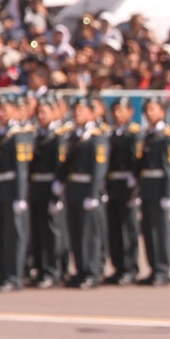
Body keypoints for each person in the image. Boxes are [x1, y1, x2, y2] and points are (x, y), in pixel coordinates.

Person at [0, 95, 30, 292]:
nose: (1, 113)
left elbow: (21, 168)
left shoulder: (17, 135)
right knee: (0, 234)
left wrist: (20, 196)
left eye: (5, 109)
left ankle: (13, 276)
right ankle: (2, 273)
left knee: (13, 235)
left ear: (14, 111)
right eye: (0, 109)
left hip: (11, 189)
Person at [61, 96, 108, 290]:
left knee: (90, 234)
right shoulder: (73, 136)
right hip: (74, 189)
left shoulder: (97, 136)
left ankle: (92, 272)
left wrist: (93, 193)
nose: (77, 113)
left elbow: (99, 168)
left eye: (82, 110)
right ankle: (80, 270)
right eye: (76, 110)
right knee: (76, 232)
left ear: (92, 113)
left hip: (88, 190)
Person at [28, 94, 69, 288]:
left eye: (45, 112)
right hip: (37, 187)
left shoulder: (58, 137)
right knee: (38, 231)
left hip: (50, 187)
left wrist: (58, 192)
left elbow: (60, 166)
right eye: (39, 112)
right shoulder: (38, 135)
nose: (41, 116)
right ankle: (41, 268)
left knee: (52, 232)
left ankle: (54, 270)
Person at [136, 97, 170, 286]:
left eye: (153, 109)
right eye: (147, 110)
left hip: (160, 187)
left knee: (161, 231)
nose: (149, 113)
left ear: (162, 112)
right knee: (148, 230)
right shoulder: (148, 134)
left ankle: (162, 269)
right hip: (148, 188)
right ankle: (153, 268)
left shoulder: (167, 136)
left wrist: (168, 193)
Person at [104, 98, 142, 285]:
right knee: (114, 229)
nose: (117, 114)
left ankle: (130, 268)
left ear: (130, 112)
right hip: (112, 185)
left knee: (128, 229)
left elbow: (137, 163)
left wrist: (134, 188)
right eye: (115, 110)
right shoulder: (110, 134)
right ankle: (118, 267)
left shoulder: (134, 134)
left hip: (127, 185)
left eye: (121, 110)